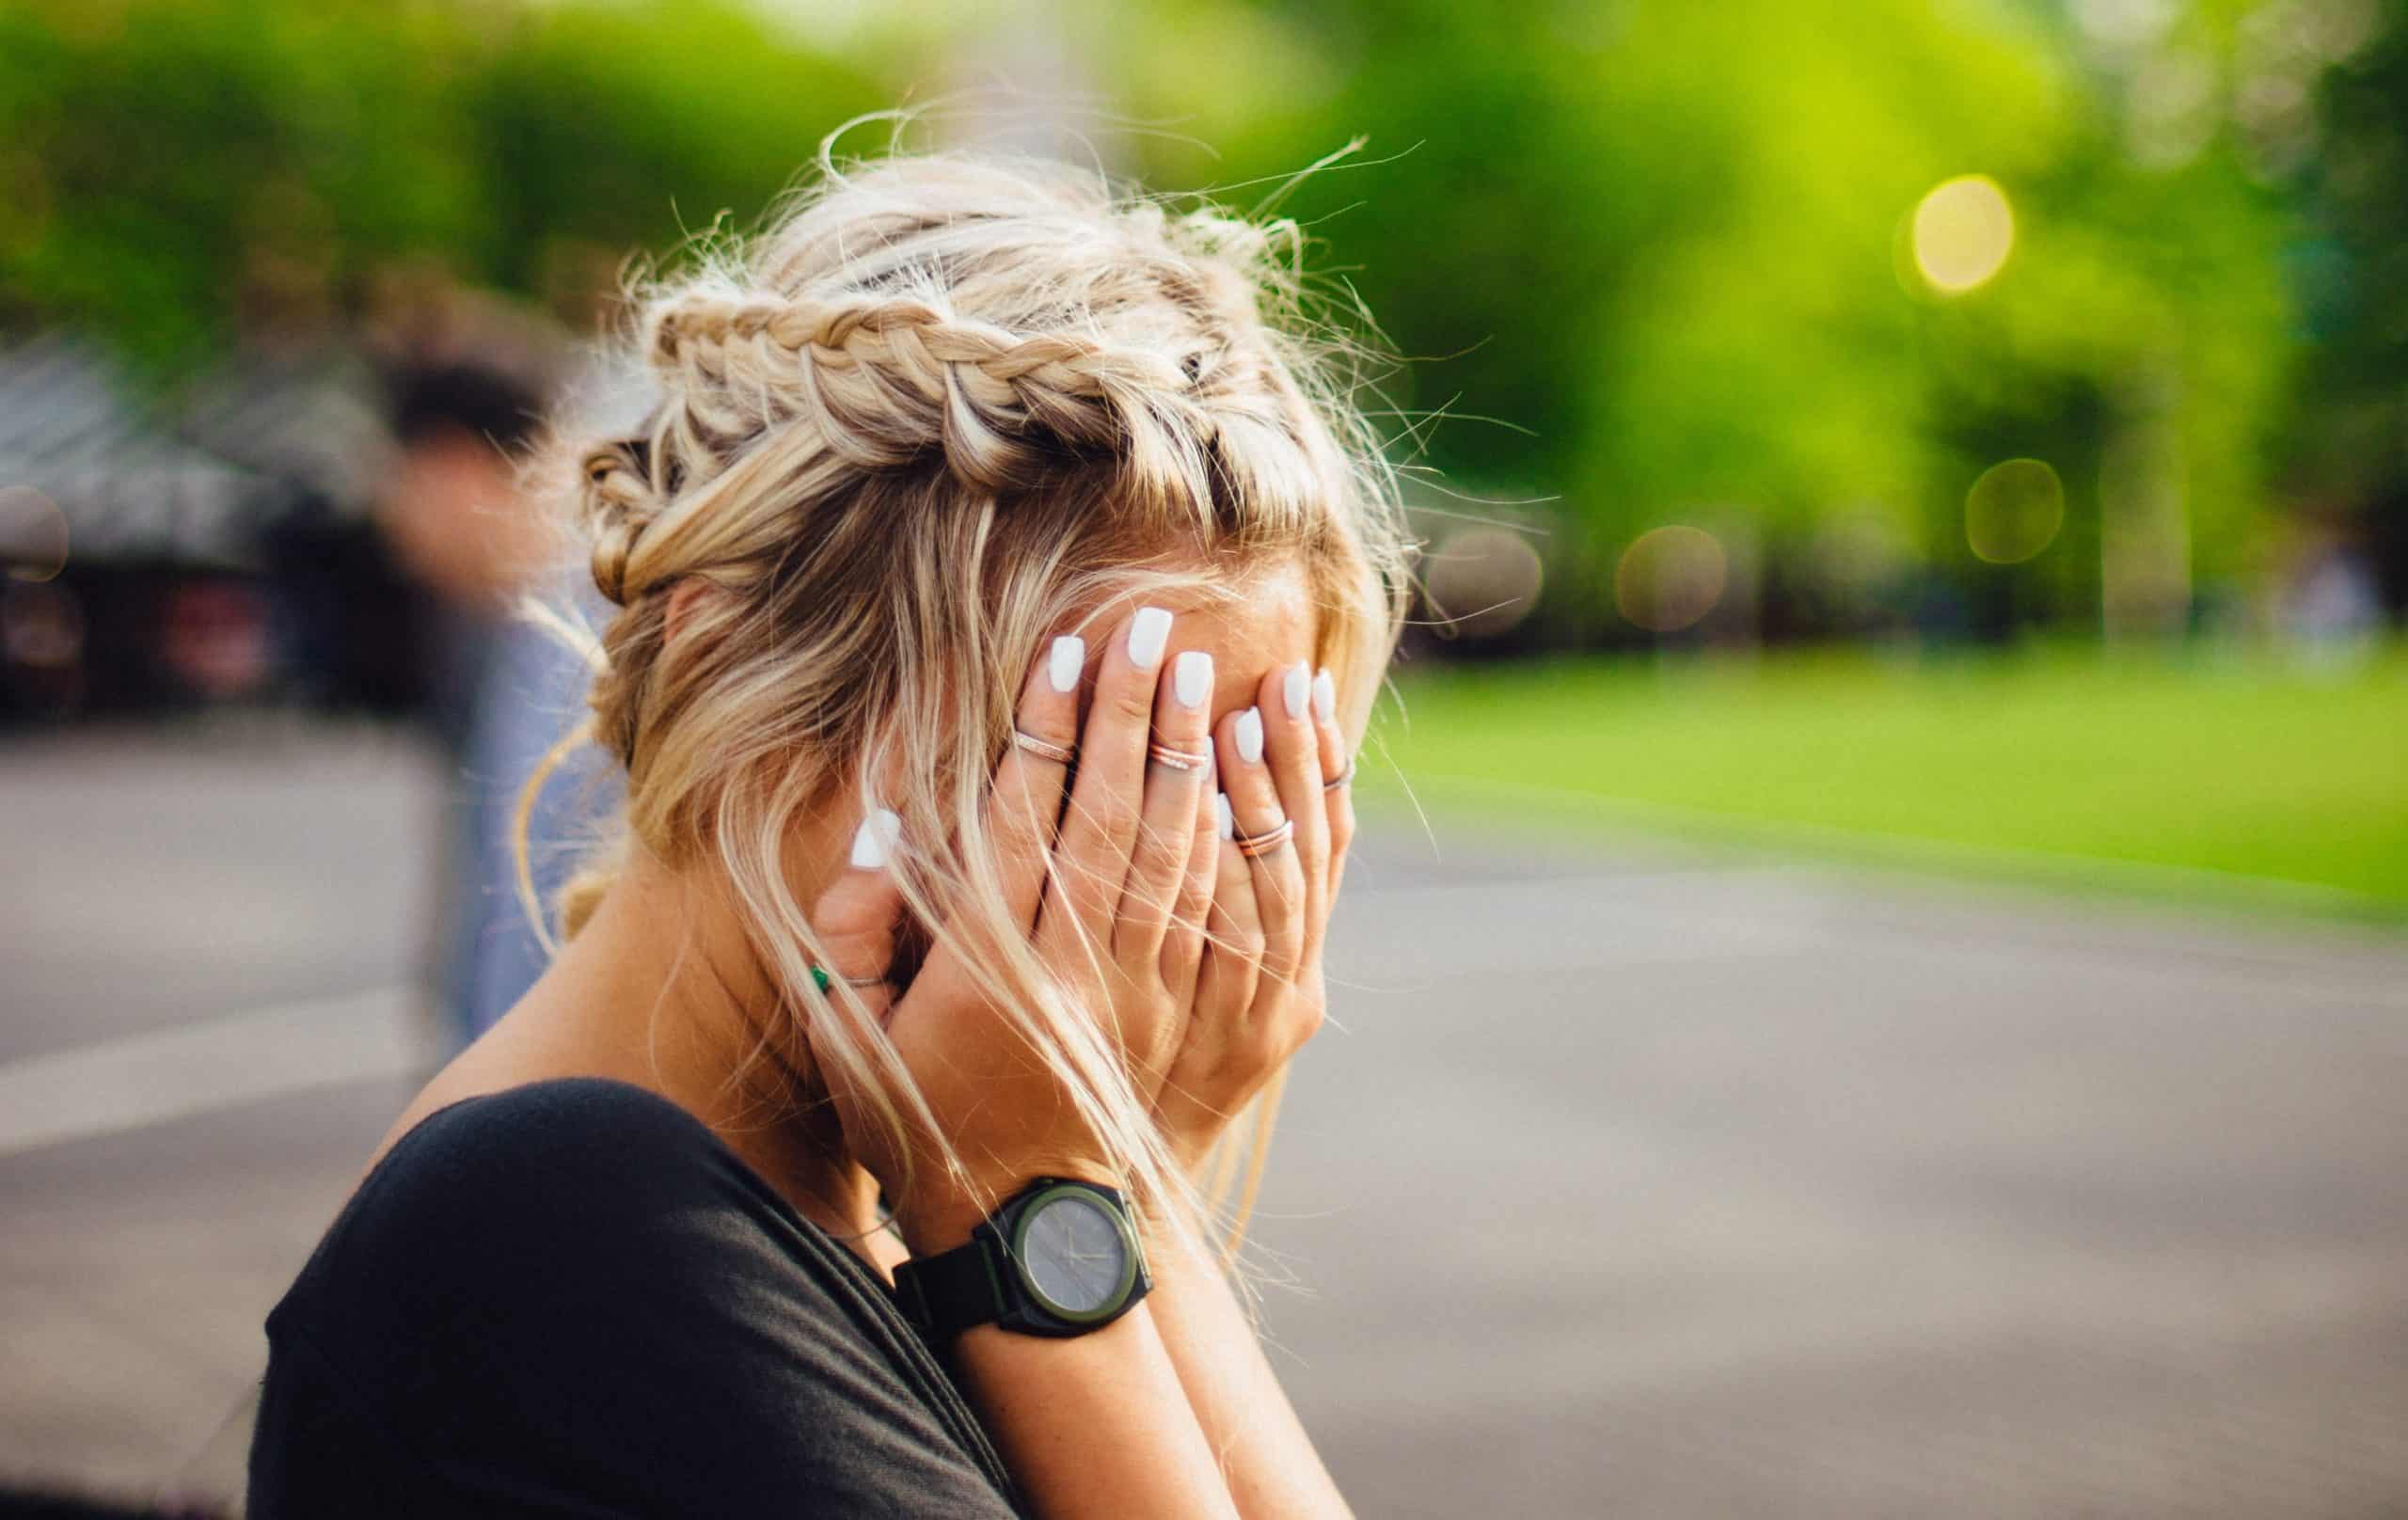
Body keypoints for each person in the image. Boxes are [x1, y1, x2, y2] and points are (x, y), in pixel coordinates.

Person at [246, 135, 1415, 1518]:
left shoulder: (886, 1187)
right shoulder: (562, 1226)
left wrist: (1115, 1186)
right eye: (1081, 766)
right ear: (729, 672)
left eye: (1229, 789)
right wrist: (1025, 1210)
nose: (1158, 892)